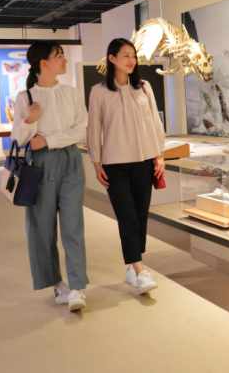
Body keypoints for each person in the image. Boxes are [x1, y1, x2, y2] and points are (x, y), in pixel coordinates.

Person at [10, 41, 89, 312]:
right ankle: (57, 284)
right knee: (41, 228)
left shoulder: (71, 92)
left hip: (70, 160)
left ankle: (78, 287)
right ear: (43, 63)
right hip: (39, 167)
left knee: (73, 225)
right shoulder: (26, 97)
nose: (64, 60)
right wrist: (30, 120)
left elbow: (82, 130)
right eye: (59, 56)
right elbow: (19, 138)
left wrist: (49, 139)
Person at [87, 38, 165, 295]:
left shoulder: (144, 87)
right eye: (125, 55)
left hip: (144, 162)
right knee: (127, 216)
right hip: (114, 164)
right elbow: (94, 128)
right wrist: (96, 161)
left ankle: (133, 266)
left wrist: (159, 155)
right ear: (112, 59)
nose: (131, 60)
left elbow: (155, 122)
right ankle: (140, 269)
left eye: (133, 55)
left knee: (141, 215)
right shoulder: (99, 91)